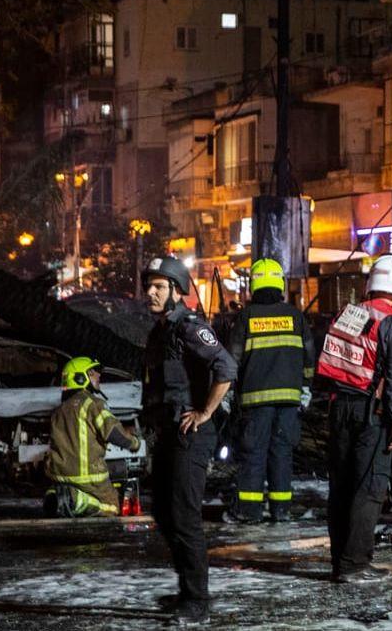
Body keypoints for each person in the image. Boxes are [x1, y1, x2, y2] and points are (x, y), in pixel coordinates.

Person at [141, 256, 237, 621]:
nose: (151, 292)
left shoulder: (190, 327)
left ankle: (198, 600)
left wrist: (206, 411)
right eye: (149, 285)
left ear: (177, 291)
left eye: (159, 287)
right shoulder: (161, 330)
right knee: (164, 512)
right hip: (168, 433)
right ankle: (186, 591)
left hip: (191, 435)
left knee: (183, 515)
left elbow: (225, 367)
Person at [315, 254, 392, 583]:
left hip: (338, 407)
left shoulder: (349, 314)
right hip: (370, 413)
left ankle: (339, 560)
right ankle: (355, 563)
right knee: (369, 487)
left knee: (342, 487)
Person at [224, 259, 315, 524]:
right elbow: (309, 357)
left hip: (255, 401)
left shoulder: (247, 317)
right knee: (282, 453)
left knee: (253, 453)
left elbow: (232, 359)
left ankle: (249, 511)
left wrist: (227, 392)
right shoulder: (295, 316)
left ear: (254, 285)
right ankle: (281, 509)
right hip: (289, 400)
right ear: (280, 284)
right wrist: (306, 388)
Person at [46, 357, 141, 517]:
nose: (98, 376)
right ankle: (73, 500)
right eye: (92, 373)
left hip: (59, 475)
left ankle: (56, 494)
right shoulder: (92, 404)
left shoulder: (59, 410)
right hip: (87, 476)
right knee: (113, 507)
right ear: (80, 377)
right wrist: (135, 443)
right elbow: (113, 433)